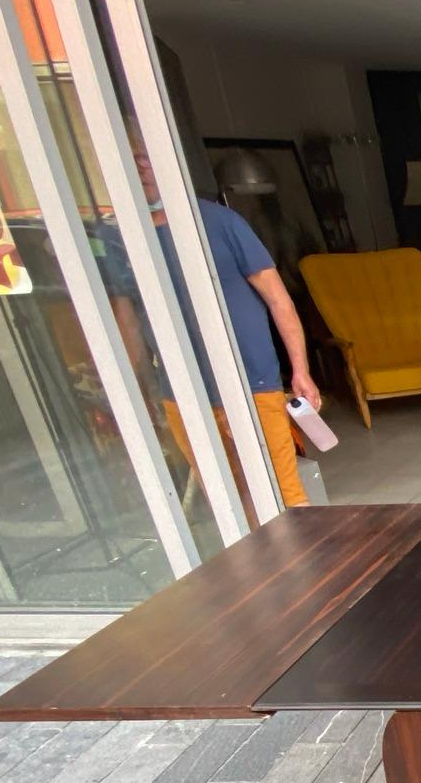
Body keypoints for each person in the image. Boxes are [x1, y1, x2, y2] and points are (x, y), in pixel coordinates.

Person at [127, 125, 319, 508]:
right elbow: (128, 320)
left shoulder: (222, 223)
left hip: (254, 384)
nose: (142, 168)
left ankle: (306, 565)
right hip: (182, 395)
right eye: (132, 159)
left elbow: (280, 301)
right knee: (230, 498)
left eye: (148, 157)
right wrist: (138, 390)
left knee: (285, 494)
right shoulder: (122, 237)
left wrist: (300, 370)